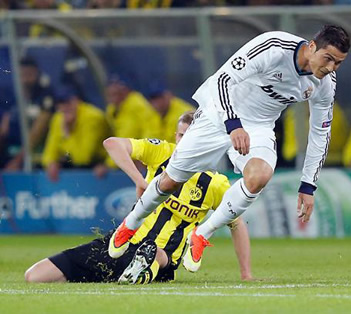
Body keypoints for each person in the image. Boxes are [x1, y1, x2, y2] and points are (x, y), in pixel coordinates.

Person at [108, 24, 350, 273]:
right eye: (328, 58)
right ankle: (131, 222)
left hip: (259, 126)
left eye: (338, 63)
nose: (331, 67)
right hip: (219, 112)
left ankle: (201, 234)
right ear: (311, 46)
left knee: (259, 177)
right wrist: (233, 124)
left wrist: (308, 185)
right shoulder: (274, 47)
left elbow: (320, 132)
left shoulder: (325, 83)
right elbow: (223, 79)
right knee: (171, 181)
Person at [24, 111, 252, 284]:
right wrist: (138, 180)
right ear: (176, 136)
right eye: (181, 135)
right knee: (34, 276)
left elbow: (236, 222)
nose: (184, 142)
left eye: (190, 136)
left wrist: (245, 274)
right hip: (121, 244)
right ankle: (125, 272)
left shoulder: (214, 182)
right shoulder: (162, 152)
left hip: (162, 257)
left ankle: (140, 271)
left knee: (156, 253)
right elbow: (112, 144)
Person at [41, 87, 110, 182]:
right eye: (60, 104)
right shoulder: (59, 117)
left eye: (68, 102)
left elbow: (84, 157)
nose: (65, 107)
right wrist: (51, 163)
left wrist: (68, 132)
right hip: (76, 160)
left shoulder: (92, 117)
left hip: (101, 163)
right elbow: (50, 150)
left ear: (77, 101)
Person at [4, 56, 55, 170]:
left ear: (36, 72)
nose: (26, 78)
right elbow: (4, 128)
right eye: (23, 74)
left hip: (38, 151)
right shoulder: (13, 92)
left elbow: (38, 130)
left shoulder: (45, 92)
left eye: (29, 74)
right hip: (13, 147)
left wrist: (18, 160)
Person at [105, 73, 157, 167]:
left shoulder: (135, 105)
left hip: (143, 159)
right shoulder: (113, 109)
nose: (113, 89)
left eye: (117, 87)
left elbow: (127, 136)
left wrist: (109, 165)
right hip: (128, 156)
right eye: (111, 85)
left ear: (125, 89)